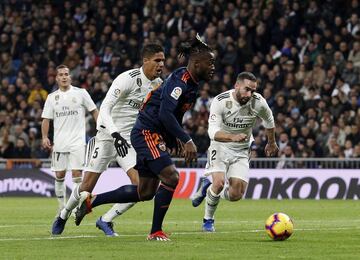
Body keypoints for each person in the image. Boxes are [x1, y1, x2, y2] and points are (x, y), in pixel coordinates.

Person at [73, 34, 215, 241]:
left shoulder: (192, 85)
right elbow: (164, 114)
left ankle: (91, 202)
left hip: (151, 132)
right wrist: (187, 139)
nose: (213, 67)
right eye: (210, 62)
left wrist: (174, 137)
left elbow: (173, 114)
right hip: (146, 132)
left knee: (145, 192)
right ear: (197, 62)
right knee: (172, 177)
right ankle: (155, 231)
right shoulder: (180, 80)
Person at [51, 43, 165, 236]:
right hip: (107, 136)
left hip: (129, 141)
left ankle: (106, 219)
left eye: (163, 60)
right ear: (145, 61)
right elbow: (104, 109)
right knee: (86, 187)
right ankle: (64, 214)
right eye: (157, 60)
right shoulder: (126, 79)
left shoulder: (157, 85)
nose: (161, 64)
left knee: (142, 188)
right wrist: (114, 134)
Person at [191, 72, 279, 232]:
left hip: (242, 150)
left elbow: (269, 120)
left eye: (253, 90)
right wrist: (232, 137)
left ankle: (207, 188)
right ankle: (208, 220)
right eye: (247, 89)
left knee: (236, 195)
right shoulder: (220, 101)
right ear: (237, 86)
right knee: (219, 183)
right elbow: (212, 132)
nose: (250, 94)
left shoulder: (258, 102)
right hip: (220, 146)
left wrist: (272, 142)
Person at [41, 64, 98, 216]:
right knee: (59, 175)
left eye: (66, 74)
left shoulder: (81, 93)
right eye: (61, 74)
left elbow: (94, 111)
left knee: (77, 174)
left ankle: (76, 207)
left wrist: (100, 128)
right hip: (59, 142)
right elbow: (46, 119)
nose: (64, 77)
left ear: (70, 77)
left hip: (77, 142)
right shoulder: (52, 97)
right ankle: (61, 206)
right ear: (57, 78)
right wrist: (45, 136)